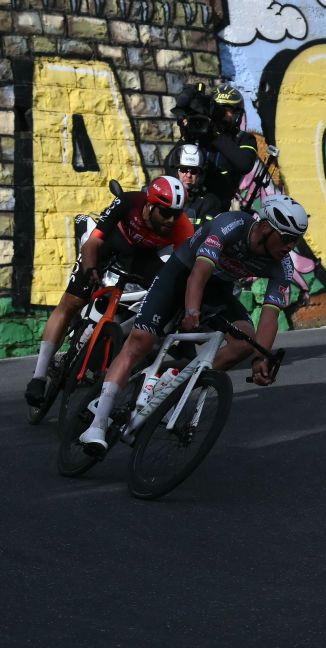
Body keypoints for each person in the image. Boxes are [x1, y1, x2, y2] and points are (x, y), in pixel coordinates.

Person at [77, 195, 309, 455]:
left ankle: (174, 383)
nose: (290, 246)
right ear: (266, 228)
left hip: (217, 289)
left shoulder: (282, 266)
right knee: (140, 342)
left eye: (296, 240)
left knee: (244, 341)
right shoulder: (231, 225)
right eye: (287, 238)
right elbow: (199, 273)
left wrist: (260, 358)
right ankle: (97, 425)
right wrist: (191, 311)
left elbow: (270, 315)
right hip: (182, 273)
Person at [25, 177, 194, 407]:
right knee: (72, 301)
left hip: (142, 257)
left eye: (177, 214)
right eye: (165, 213)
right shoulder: (128, 202)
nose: (171, 220)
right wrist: (90, 269)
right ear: (150, 205)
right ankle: (39, 375)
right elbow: (93, 243)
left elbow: (183, 271)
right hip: (111, 244)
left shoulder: (182, 227)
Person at [171, 83, 259, 215]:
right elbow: (170, 166)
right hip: (187, 206)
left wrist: (214, 136)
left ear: (237, 114)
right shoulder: (201, 133)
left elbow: (245, 164)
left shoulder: (244, 138)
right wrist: (186, 136)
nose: (220, 113)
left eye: (226, 109)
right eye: (218, 107)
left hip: (218, 210)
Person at [164, 142, 221, 225]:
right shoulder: (164, 195)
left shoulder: (209, 202)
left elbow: (209, 229)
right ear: (176, 172)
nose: (188, 175)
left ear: (200, 174)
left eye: (194, 171)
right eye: (183, 169)